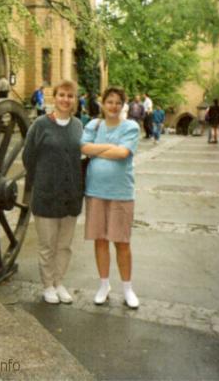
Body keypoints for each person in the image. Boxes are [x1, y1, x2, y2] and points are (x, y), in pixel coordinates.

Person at [23, 79, 84, 305]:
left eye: (70, 96)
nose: (65, 99)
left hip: (71, 195)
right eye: (62, 95)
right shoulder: (40, 125)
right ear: (54, 97)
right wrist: (43, 179)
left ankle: (59, 282)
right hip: (47, 194)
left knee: (64, 245)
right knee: (47, 245)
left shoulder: (78, 125)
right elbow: (28, 157)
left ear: (74, 100)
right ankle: (48, 285)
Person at [81, 86, 141, 309]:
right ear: (103, 104)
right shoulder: (93, 125)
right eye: (110, 102)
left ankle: (127, 288)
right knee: (101, 240)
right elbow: (84, 147)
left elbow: (123, 153)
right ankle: (104, 285)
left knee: (122, 242)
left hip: (121, 193)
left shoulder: (131, 127)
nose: (113, 106)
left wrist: (97, 149)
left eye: (118, 102)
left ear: (123, 105)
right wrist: (108, 147)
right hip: (96, 191)